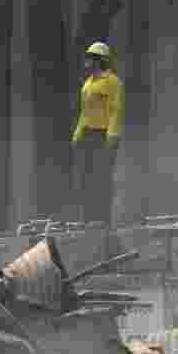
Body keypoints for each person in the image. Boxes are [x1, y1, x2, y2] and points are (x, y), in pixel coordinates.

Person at [71, 41, 123, 229]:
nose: (88, 61)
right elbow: (84, 112)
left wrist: (112, 134)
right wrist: (77, 134)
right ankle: (87, 219)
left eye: (92, 58)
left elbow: (116, 110)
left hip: (104, 134)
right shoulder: (87, 85)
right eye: (88, 57)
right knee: (86, 178)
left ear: (100, 60)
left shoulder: (112, 82)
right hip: (88, 134)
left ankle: (102, 220)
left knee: (102, 178)